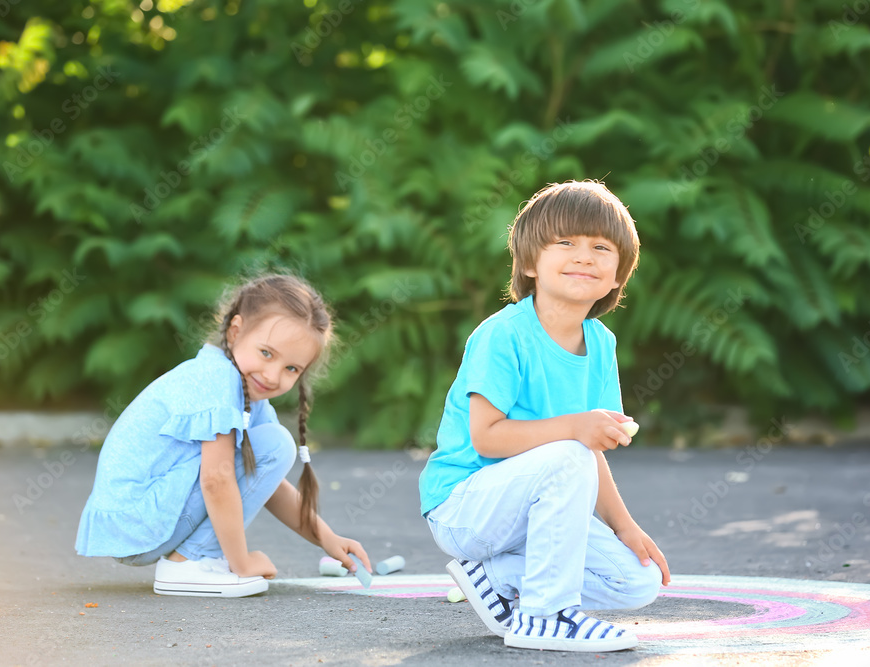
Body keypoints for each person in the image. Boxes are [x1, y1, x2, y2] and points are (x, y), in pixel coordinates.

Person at [419, 181, 670, 652]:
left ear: (619, 274)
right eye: (566, 243)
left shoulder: (601, 344)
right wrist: (577, 429)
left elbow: (588, 453)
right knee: (568, 455)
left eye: (601, 247)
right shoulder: (503, 336)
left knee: (638, 581)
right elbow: (488, 439)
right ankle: (544, 616)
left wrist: (624, 526)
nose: (584, 256)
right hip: (466, 509)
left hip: (531, 510)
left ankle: (496, 578)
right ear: (531, 263)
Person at [76, 273, 371, 597]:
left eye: (292, 369)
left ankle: (191, 559)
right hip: (136, 520)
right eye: (267, 353)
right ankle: (191, 561)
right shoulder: (217, 380)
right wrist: (240, 561)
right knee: (277, 443)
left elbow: (264, 479)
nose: (273, 376)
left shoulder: (244, 390)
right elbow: (217, 479)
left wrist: (328, 539)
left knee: (273, 444)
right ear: (235, 332)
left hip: (136, 522)